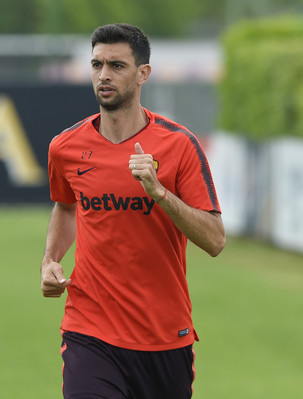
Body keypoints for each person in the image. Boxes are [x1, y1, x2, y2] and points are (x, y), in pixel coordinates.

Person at [40, 23, 225, 399]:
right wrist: (50, 260)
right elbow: (66, 204)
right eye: (96, 65)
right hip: (89, 331)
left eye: (117, 66)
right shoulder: (65, 147)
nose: (103, 75)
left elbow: (215, 239)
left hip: (163, 337)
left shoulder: (179, 146)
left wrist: (160, 193)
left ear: (143, 74)